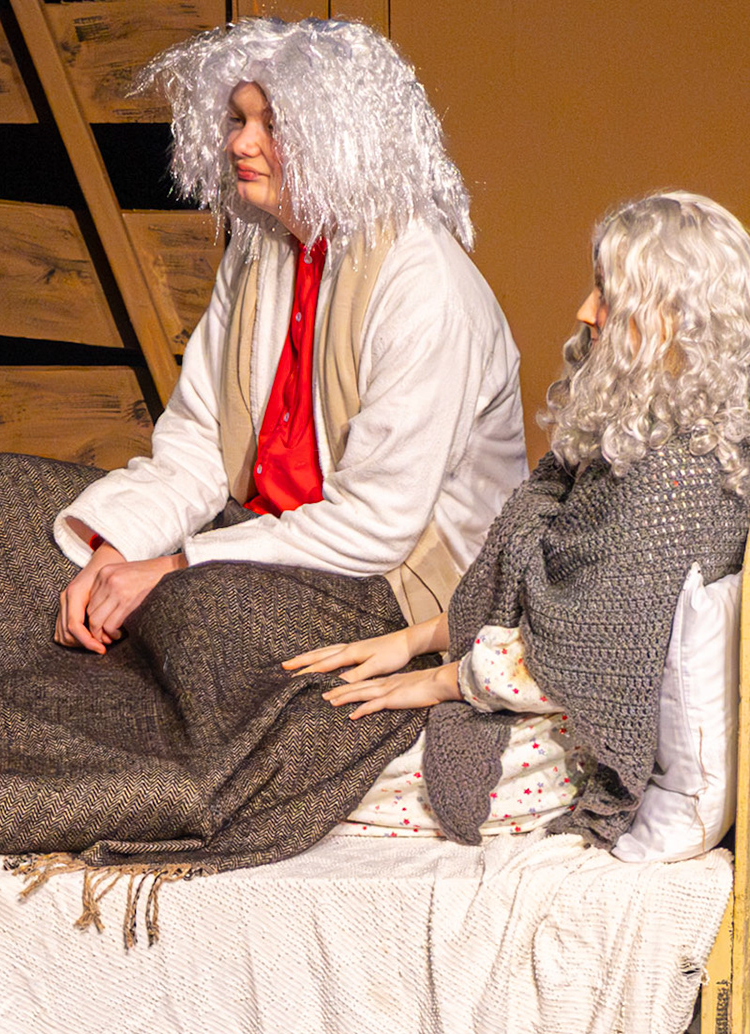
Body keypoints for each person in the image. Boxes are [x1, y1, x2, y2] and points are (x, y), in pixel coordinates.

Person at [287, 191, 750, 846]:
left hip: (566, 743)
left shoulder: (675, 481)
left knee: (303, 768)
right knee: (301, 709)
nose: (585, 311)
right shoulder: (667, 432)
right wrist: (414, 639)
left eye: (608, 294)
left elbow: (585, 659)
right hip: (522, 687)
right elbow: (561, 596)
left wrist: (430, 682)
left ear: (679, 317)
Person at [56, 17, 525, 656]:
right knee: (15, 500)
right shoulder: (261, 250)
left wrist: (172, 570)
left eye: (272, 126)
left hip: (401, 579)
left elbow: (375, 527)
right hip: (265, 534)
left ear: (340, 136)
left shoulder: (426, 285)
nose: (241, 144)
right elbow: (199, 441)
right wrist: (115, 551)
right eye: (238, 120)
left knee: (187, 615)